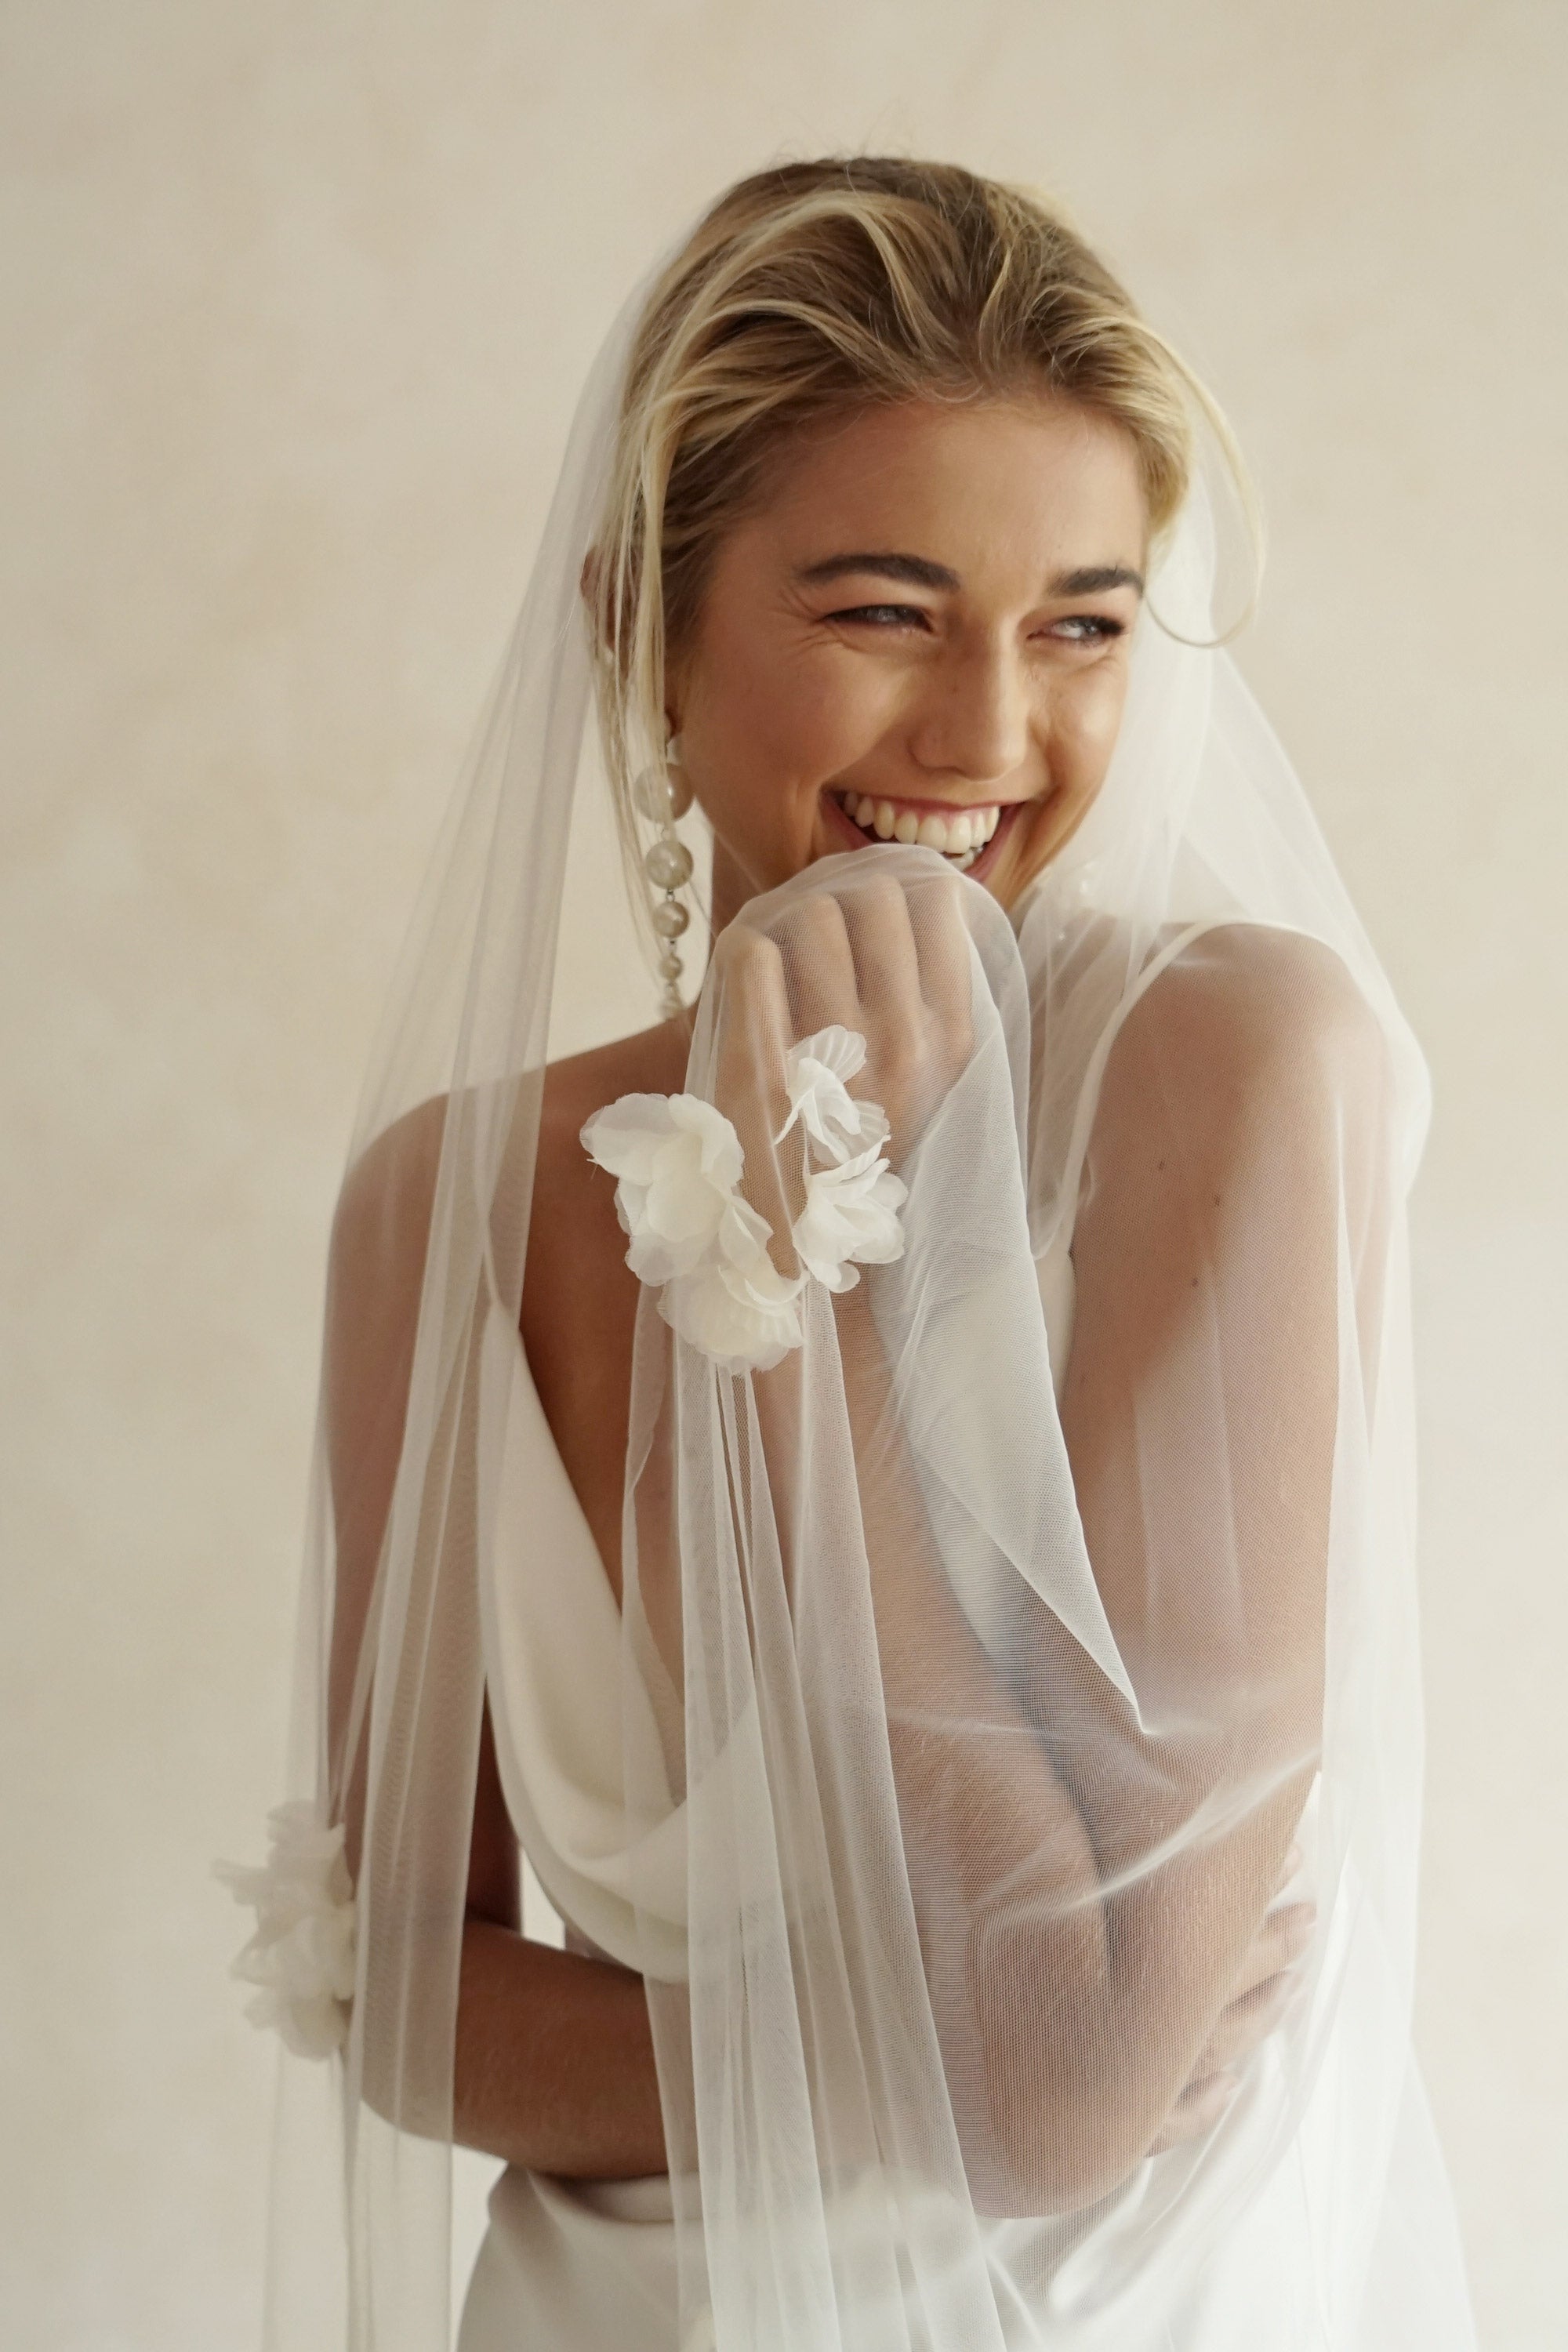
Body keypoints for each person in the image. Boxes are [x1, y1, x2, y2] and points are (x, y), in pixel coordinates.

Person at [217, 157, 1479, 2349]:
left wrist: (807, 1338)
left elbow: (1077, 2100)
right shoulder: (452, 1203)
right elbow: (405, 1989)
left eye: (1081, 621)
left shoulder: (1237, 1073)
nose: (990, 737)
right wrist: (925, 2064)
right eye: (887, 611)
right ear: (644, 629)